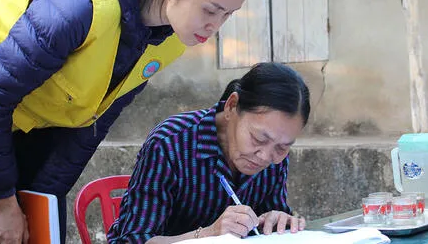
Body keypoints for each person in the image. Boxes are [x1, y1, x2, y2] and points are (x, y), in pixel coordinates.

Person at [0, 0, 255, 243]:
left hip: (41, 120)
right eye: (211, 10)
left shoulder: (172, 37)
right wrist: (3, 202)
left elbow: (95, 121)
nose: (215, 26)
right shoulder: (79, 7)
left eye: (228, 15)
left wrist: (44, 198)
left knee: (42, 231)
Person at [107, 62, 311, 243]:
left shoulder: (275, 157)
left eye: (282, 147)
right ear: (232, 106)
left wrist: (277, 222)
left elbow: (268, 224)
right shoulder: (170, 143)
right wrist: (209, 234)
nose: (266, 156)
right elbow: (133, 239)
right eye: (258, 139)